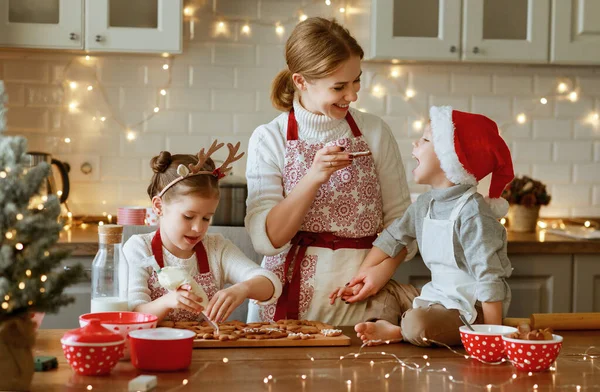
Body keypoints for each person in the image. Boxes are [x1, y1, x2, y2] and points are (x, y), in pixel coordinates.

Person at [245, 17, 415, 326]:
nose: (352, 96)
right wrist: (313, 177)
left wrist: (380, 272)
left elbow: (401, 224)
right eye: (339, 87)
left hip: (361, 298)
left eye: (356, 81)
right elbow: (267, 239)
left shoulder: (374, 132)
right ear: (301, 82)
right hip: (285, 297)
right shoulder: (269, 138)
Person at [331, 106, 514, 346]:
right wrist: (359, 280)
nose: (415, 144)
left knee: (419, 323)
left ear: (452, 157)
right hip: (436, 298)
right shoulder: (425, 204)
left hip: (471, 308)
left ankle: (400, 331)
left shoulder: (473, 214)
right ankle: (402, 327)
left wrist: (490, 336)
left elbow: (490, 279)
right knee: (384, 292)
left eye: (426, 139)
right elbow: (392, 239)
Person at [124, 141, 282, 323]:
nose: (198, 228)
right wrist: (168, 301)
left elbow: (271, 284)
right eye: (188, 217)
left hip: (209, 349)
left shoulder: (216, 248)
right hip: (155, 347)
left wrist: (243, 289)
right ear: (159, 206)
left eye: (206, 218)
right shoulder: (139, 248)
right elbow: (134, 314)